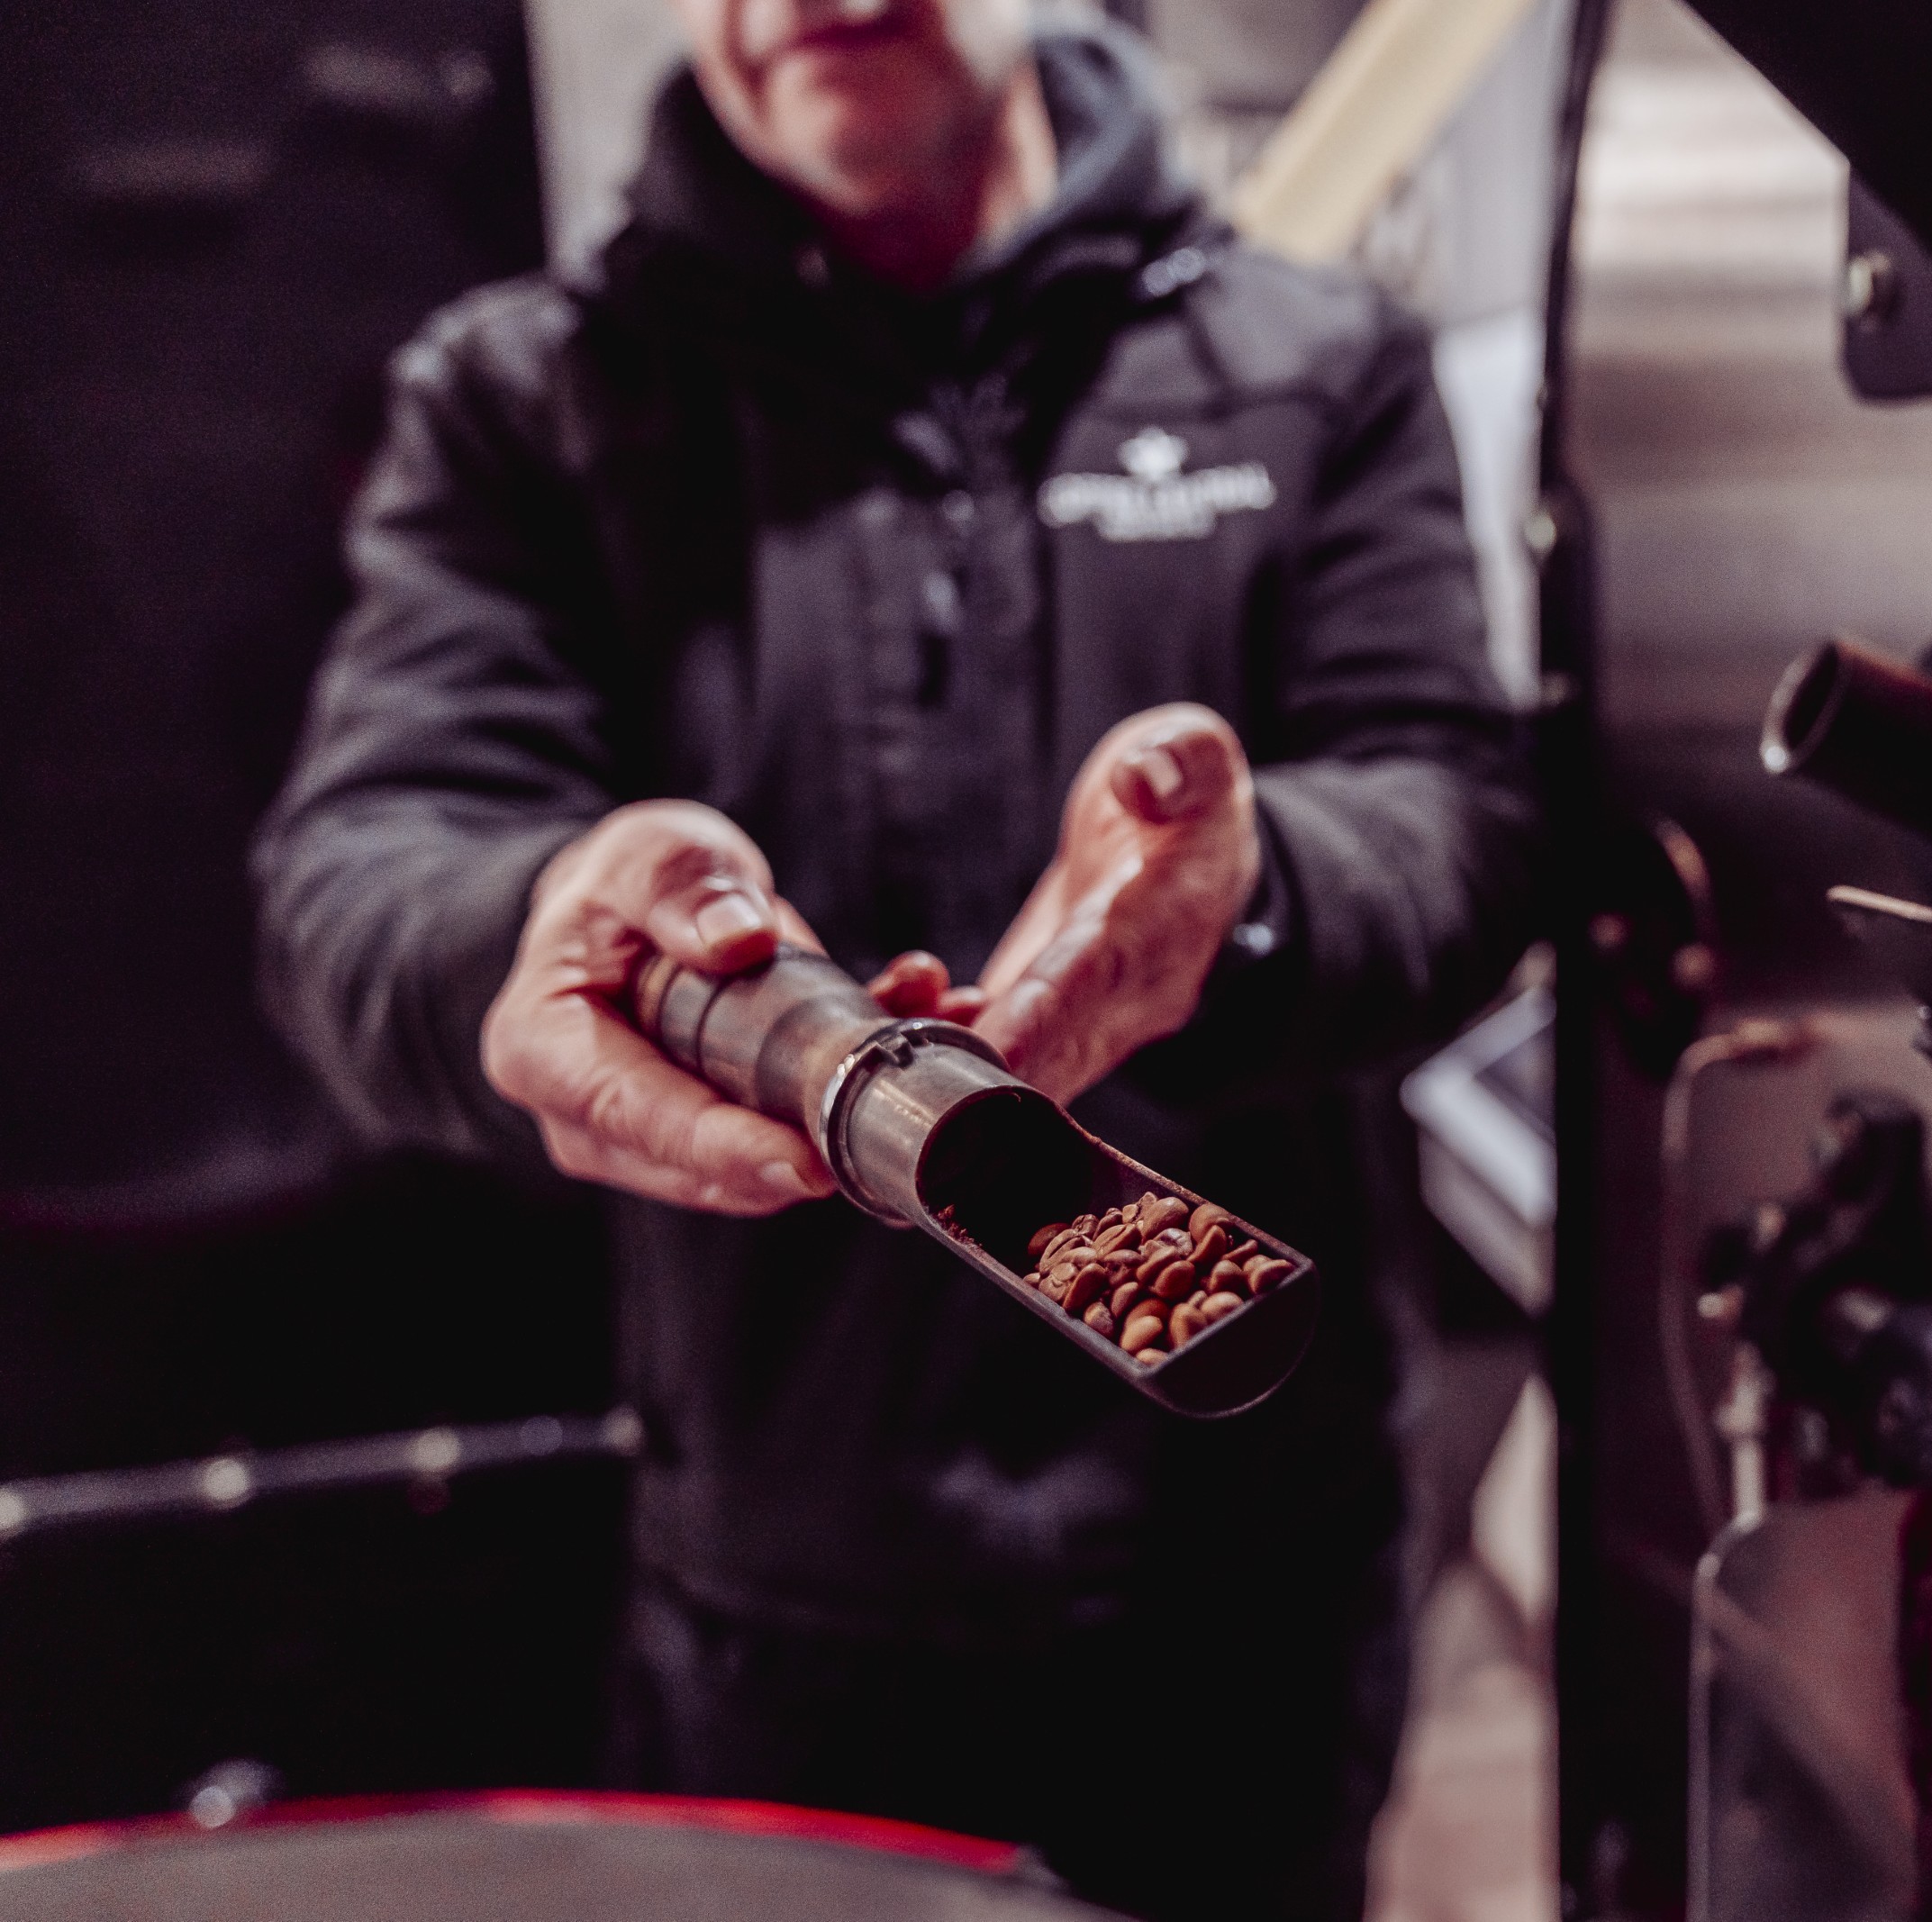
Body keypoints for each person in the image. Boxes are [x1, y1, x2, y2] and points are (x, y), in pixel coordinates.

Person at [252, 0, 1540, 1914]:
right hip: (784, 1602)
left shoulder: (1313, 362)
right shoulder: (532, 397)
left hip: (1241, 1593)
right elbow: (359, 875)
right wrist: (539, 919)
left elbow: (1460, 818)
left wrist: (1252, 890)